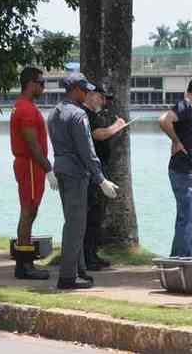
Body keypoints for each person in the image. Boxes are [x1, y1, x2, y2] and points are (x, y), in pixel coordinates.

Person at [48, 72, 119, 289]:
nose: (88, 93)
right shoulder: (79, 115)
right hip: (77, 174)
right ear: (76, 89)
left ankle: (78, 270)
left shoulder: (54, 112)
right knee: (76, 227)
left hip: (61, 170)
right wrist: (101, 179)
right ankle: (68, 277)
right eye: (85, 89)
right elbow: (87, 151)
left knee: (73, 222)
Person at [9, 66, 57, 280]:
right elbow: (32, 145)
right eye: (41, 82)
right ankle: (24, 265)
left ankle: (25, 261)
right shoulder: (26, 109)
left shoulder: (23, 106)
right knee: (28, 212)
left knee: (30, 212)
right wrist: (49, 169)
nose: (43, 86)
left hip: (31, 164)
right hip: (30, 164)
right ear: (31, 83)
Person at [159, 77, 192, 257]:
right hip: (185, 171)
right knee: (188, 217)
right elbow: (164, 120)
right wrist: (176, 141)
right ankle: (182, 259)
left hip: (190, 171)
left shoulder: (191, 111)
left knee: (188, 217)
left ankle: (183, 257)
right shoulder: (186, 105)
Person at [82, 84, 126, 270]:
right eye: (101, 97)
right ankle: (87, 257)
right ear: (91, 96)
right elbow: (98, 135)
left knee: (96, 215)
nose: (103, 101)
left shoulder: (95, 115)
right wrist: (116, 126)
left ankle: (92, 254)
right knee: (90, 215)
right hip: (90, 173)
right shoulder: (85, 115)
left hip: (99, 171)